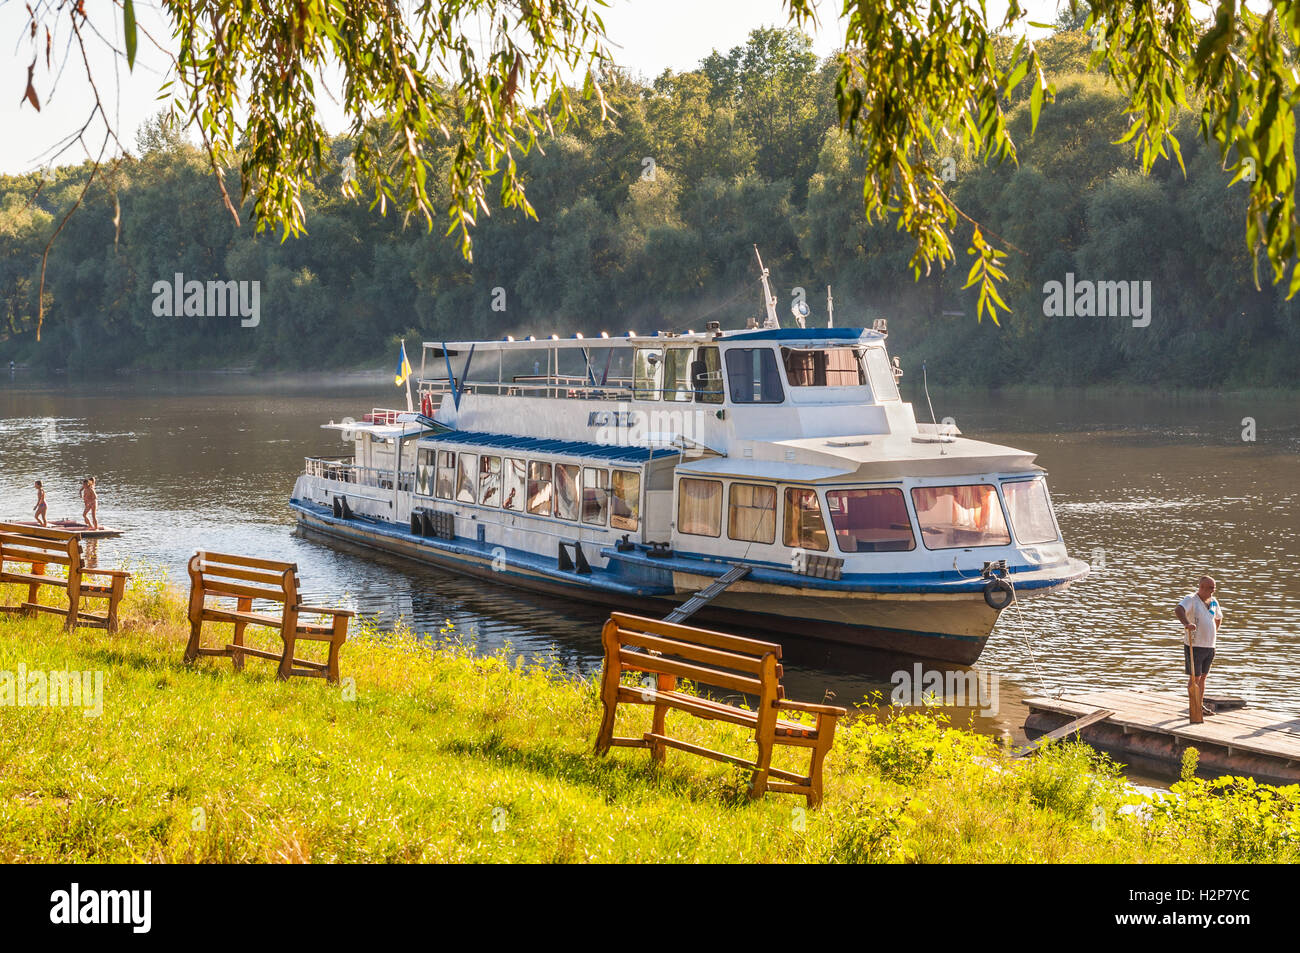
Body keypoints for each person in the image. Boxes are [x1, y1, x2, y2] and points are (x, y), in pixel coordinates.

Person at [1174, 575, 1223, 725]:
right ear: (1201, 587)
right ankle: (1193, 707)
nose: (1213, 591)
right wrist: (1187, 623)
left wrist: (1214, 630)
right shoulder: (1191, 599)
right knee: (1194, 678)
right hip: (1194, 645)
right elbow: (1178, 610)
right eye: (1210, 588)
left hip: (1209, 646)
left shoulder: (1214, 601)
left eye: (1214, 588)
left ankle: (1199, 706)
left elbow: (1219, 617)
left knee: (1203, 677)